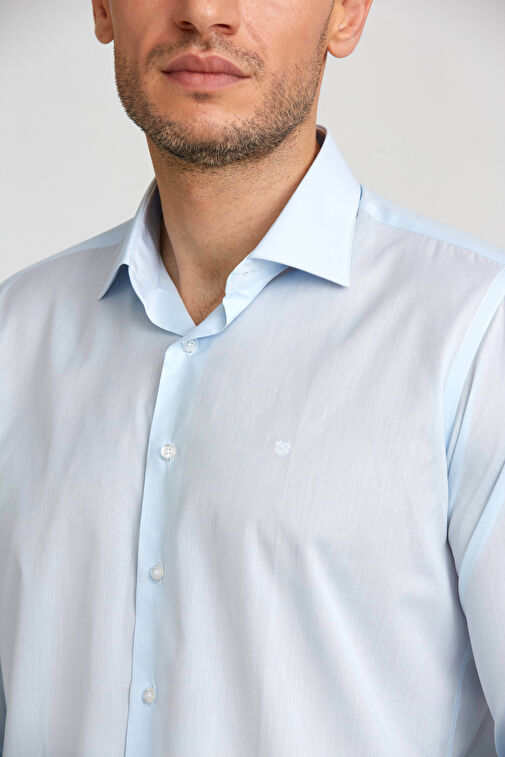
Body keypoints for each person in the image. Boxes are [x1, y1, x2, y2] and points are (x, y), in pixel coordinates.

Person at [0, 0, 504, 753]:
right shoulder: (15, 333)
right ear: (103, 8)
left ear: (346, 15)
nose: (204, 12)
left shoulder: (480, 334)